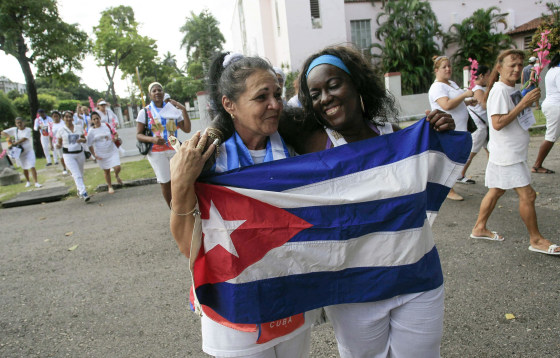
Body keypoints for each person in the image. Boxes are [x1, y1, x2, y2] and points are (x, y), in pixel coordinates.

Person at [293, 45, 455, 358]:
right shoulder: (315, 143)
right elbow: (254, 122)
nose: (325, 98)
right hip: (355, 291)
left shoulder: (395, 135)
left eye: (334, 84)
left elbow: (429, 177)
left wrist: (440, 130)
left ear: (357, 83)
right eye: (315, 94)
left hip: (417, 279)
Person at [170, 52, 316, 358]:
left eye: (277, 93)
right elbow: (188, 245)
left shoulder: (295, 150)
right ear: (229, 105)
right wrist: (181, 184)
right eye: (262, 97)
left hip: (290, 298)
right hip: (234, 309)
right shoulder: (207, 160)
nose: (275, 104)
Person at [470, 49, 560, 255]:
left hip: (508, 152)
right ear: (499, 68)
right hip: (507, 154)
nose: (517, 69)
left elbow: (518, 115)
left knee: (497, 190)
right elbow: (498, 123)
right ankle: (536, 239)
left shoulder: (510, 89)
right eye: (512, 65)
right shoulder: (500, 90)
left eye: (520, 65)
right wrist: (523, 104)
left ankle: (479, 227)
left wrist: (527, 100)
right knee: (528, 195)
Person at [429, 55, 477, 200]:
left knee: (453, 159)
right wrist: (464, 96)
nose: (448, 69)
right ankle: (448, 190)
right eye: (444, 67)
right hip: (448, 129)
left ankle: (441, 186)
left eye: (449, 66)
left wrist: (468, 102)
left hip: (459, 129)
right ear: (436, 70)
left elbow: (455, 104)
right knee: (450, 161)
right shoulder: (437, 87)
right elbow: (446, 105)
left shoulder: (451, 83)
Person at [136, 82, 191, 207]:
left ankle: (182, 206)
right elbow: (138, 134)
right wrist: (153, 140)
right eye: (154, 91)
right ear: (150, 95)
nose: (157, 92)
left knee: (179, 179)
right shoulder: (145, 112)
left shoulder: (172, 109)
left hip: (174, 149)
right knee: (165, 181)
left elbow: (187, 129)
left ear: (163, 92)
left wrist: (182, 110)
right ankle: (173, 210)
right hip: (157, 152)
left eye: (159, 90)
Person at [531, 52, 560, 174]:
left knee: (551, 136)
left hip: (551, 105)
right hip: (556, 107)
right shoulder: (558, 72)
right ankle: (537, 165)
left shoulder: (552, 70)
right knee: (551, 137)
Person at [56, 110, 90, 202]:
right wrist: (58, 146)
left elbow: (84, 139)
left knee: (80, 173)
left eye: (70, 117)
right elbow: (59, 143)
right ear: (63, 118)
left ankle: (79, 190)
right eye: (66, 117)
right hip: (68, 154)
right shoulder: (61, 130)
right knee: (76, 174)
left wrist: (81, 140)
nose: (68, 119)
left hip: (79, 152)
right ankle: (84, 192)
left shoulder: (78, 127)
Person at [87, 111, 123, 194]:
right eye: (94, 119)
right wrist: (94, 154)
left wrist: (114, 138)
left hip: (111, 150)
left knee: (117, 167)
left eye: (97, 118)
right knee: (106, 171)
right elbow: (89, 145)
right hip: (101, 153)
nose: (96, 120)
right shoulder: (91, 132)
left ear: (100, 118)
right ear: (92, 121)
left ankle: (116, 175)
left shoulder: (107, 125)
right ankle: (110, 186)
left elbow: (115, 133)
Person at [1, 117, 42, 188]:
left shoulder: (28, 130)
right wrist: (8, 137)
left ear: (24, 122)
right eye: (18, 123)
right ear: (16, 124)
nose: (19, 124)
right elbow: (2, 132)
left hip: (28, 150)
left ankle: (36, 182)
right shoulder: (14, 130)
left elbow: (24, 139)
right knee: (24, 167)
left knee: (32, 165)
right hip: (20, 152)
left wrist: (15, 143)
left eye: (20, 122)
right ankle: (28, 181)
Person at [465, 65, 491, 173]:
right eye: (488, 75)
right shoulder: (478, 90)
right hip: (479, 126)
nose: (489, 78)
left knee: (490, 151)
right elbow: (485, 106)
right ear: (481, 76)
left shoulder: (474, 88)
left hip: (482, 125)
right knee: (471, 152)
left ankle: (493, 173)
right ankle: (459, 175)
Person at [50, 110, 68, 175]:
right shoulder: (51, 125)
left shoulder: (63, 122)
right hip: (57, 142)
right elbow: (50, 135)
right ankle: (64, 168)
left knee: (67, 154)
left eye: (56, 116)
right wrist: (51, 145)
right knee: (61, 156)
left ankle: (70, 167)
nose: (55, 117)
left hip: (65, 141)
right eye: (54, 116)